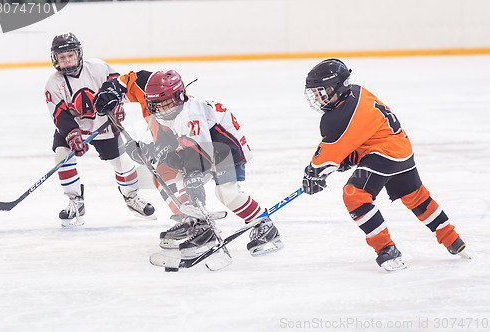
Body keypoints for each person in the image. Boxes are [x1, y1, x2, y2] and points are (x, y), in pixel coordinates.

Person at [93, 69, 283, 257]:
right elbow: (173, 149)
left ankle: (264, 225)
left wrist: (194, 182)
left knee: (228, 194)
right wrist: (147, 151)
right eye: (159, 105)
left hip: (226, 149)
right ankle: (196, 222)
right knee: (167, 173)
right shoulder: (168, 111)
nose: (164, 108)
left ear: (180, 96)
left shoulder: (189, 116)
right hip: (205, 147)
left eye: (168, 103)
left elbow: (198, 157)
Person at [301, 58, 469, 271]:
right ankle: (452, 239)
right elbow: (363, 135)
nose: (317, 97)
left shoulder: (339, 116)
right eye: (315, 92)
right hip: (401, 149)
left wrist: (313, 175)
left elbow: (324, 160)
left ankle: (386, 249)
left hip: (385, 155)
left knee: (354, 195)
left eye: (321, 91)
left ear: (338, 86)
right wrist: (348, 160)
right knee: (416, 196)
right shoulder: (357, 92)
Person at [44, 33, 155, 228]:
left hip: (104, 125)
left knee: (122, 164)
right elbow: (59, 114)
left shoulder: (98, 67)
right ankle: (75, 201)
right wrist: (71, 134)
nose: (67, 61)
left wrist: (118, 105)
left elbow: (119, 87)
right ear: (56, 60)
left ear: (79, 54)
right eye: (62, 58)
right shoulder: (53, 83)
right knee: (62, 156)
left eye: (70, 55)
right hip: (73, 128)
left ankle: (131, 197)